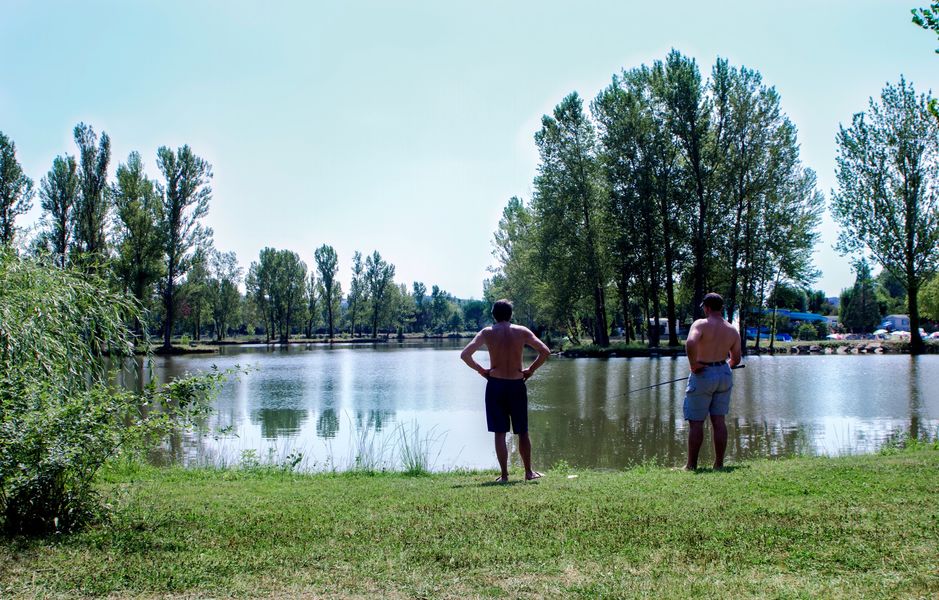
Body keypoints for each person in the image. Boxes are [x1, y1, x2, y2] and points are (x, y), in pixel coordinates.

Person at [460, 299, 551, 482]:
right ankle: (528, 473)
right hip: (517, 384)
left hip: (495, 385)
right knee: (522, 431)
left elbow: (465, 355)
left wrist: (482, 371)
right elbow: (545, 351)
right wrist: (530, 370)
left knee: (500, 432)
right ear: (511, 314)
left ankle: (504, 476)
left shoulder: (487, 333)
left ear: (493, 315)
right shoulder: (522, 331)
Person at [683, 292, 742, 471]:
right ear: (721, 308)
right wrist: (724, 367)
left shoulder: (701, 324)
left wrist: (693, 364)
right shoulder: (732, 330)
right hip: (724, 373)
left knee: (696, 421)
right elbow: (736, 359)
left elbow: (690, 343)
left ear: (707, 307)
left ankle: (691, 465)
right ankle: (719, 464)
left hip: (703, 373)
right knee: (719, 420)